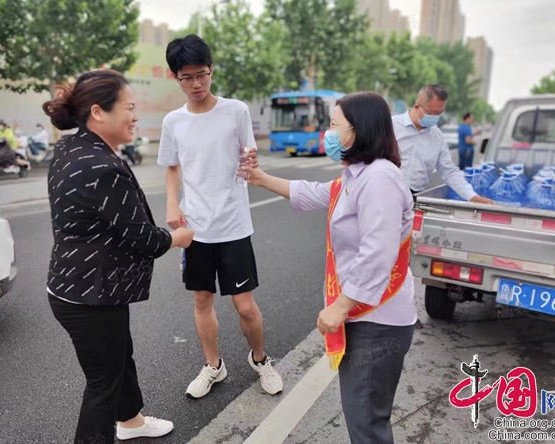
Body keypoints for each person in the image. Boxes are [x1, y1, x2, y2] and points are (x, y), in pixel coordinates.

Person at [245, 91, 416, 444]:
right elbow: (315, 193)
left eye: (335, 125)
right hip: (367, 315)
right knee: (365, 419)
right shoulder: (357, 175)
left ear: (359, 129)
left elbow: (378, 251)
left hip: (377, 321)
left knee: (367, 424)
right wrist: (259, 178)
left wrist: (340, 306)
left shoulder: (379, 179)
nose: (329, 133)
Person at [42, 69, 195, 444]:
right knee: (102, 384)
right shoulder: (103, 167)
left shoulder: (70, 148)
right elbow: (145, 240)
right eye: (128, 108)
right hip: (90, 296)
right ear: (98, 112)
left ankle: (132, 422)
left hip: (77, 285)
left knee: (119, 355)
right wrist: (178, 237)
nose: (135, 116)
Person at [158, 34, 283, 399]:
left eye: (202, 74)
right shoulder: (173, 121)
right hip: (195, 228)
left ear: (211, 70)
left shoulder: (235, 111)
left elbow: (248, 156)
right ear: (176, 78)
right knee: (202, 300)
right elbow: (171, 167)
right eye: (187, 77)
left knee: (244, 304)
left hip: (233, 224)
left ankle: (260, 359)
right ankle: (214, 366)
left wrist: (251, 164)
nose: (196, 84)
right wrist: (171, 203)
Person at [392, 84, 493, 203]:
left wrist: (472, 196)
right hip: (387, 191)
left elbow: (449, 171)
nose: (435, 118)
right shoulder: (391, 126)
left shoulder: (437, 136)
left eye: (439, 113)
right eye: (432, 113)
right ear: (417, 106)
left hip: (414, 198)